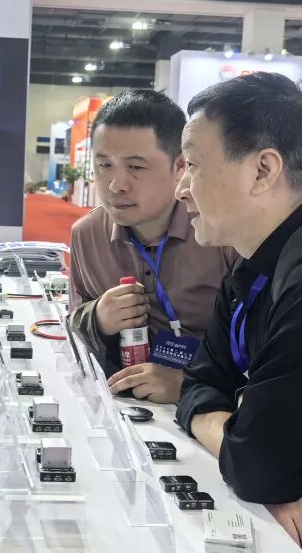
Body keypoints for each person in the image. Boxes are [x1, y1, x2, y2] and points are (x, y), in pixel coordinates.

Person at [176, 72, 302, 552]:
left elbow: (259, 467)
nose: (182, 188)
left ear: (263, 170)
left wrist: (255, 454)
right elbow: (199, 383)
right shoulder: (255, 266)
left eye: (193, 165)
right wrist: (237, 432)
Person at [68, 90, 235, 403]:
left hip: (210, 405)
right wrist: (97, 316)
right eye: (104, 164)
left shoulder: (221, 234)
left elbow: (259, 348)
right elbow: (73, 327)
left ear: (180, 166)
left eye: (136, 167)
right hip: (119, 406)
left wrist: (187, 383)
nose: (116, 184)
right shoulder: (87, 234)